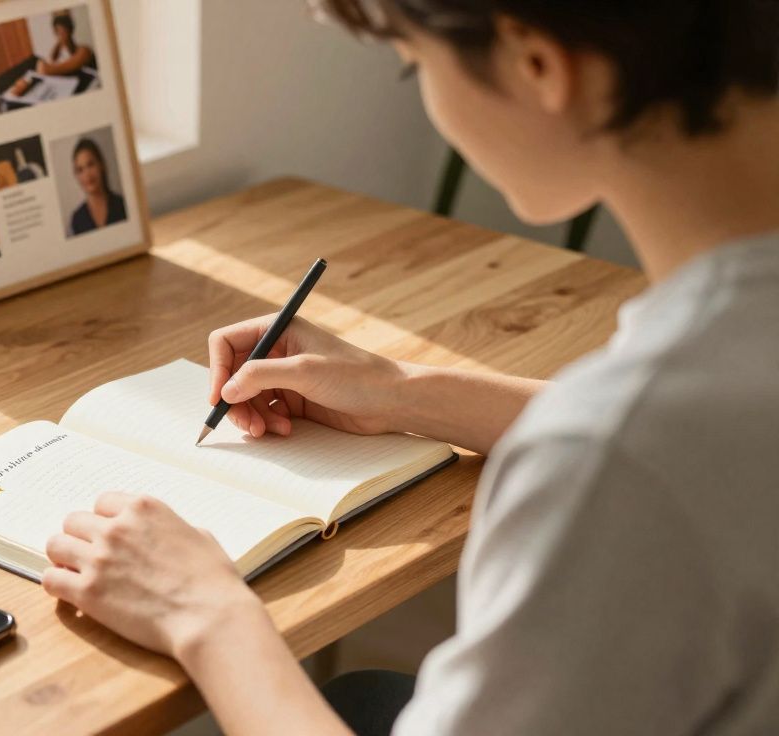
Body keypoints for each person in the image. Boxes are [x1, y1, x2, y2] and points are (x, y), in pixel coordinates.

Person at [40, 1, 779, 734]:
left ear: (538, 65)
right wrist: (401, 394)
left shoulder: (612, 462)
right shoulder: (708, 376)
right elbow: (716, 430)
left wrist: (205, 614)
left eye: (412, 64)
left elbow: (641, 447)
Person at [67, 138, 127, 236]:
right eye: (80, 170)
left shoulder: (122, 205)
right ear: (76, 176)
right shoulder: (77, 219)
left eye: (90, 165)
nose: (87, 175)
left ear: (101, 165)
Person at [36, 12, 96, 77]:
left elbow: (49, 69)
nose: (62, 35)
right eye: (58, 32)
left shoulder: (83, 51)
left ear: (70, 31)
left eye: (64, 31)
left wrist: (48, 69)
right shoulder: (56, 54)